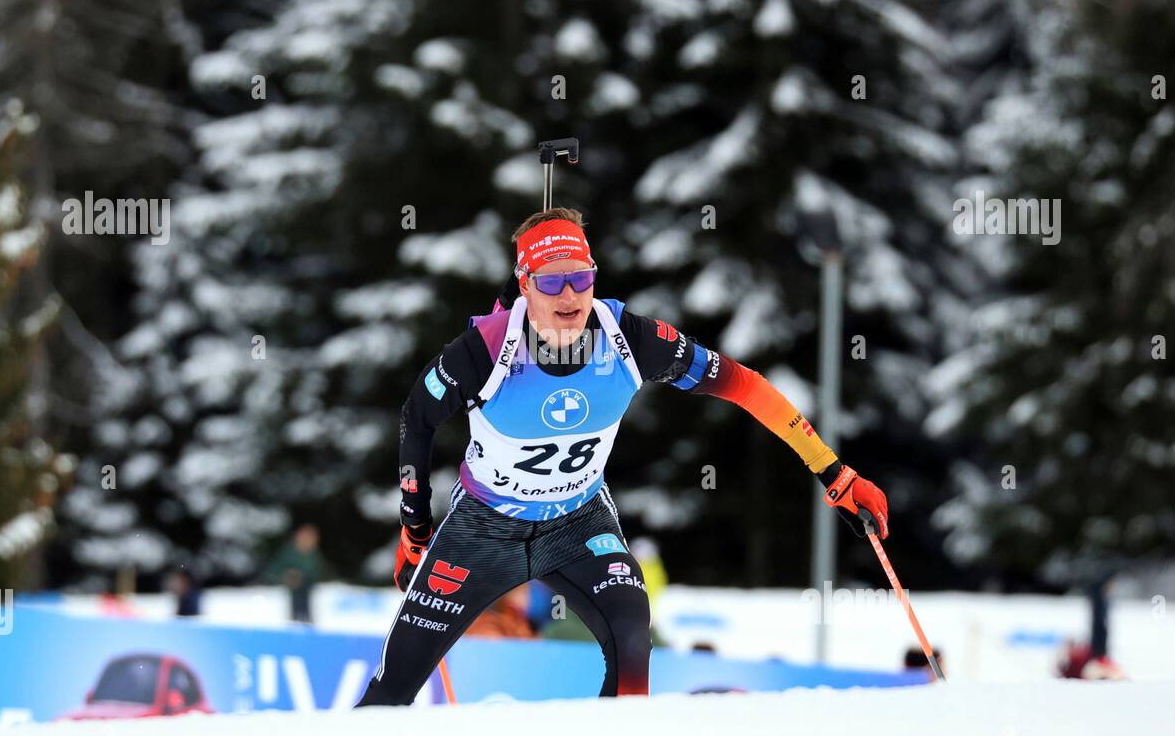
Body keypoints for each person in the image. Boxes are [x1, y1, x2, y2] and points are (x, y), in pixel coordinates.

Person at [357, 208, 890, 706]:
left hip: (578, 522)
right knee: (394, 684)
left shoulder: (630, 339)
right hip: (483, 528)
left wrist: (833, 470)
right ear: (525, 286)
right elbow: (416, 418)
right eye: (551, 281)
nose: (569, 295)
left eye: (581, 278)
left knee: (632, 630)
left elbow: (745, 387)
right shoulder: (484, 351)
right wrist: (415, 527)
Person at [264, 523, 325, 624]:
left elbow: (318, 576)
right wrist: (285, 577)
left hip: (306, 598)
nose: (307, 541)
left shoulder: (315, 557)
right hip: (285, 597)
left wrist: (303, 578)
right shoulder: (288, 553)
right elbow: (272, 572)